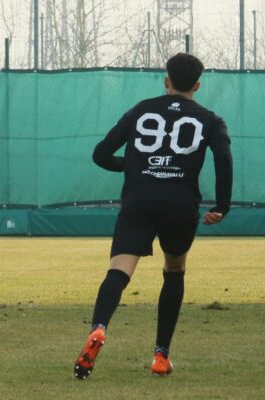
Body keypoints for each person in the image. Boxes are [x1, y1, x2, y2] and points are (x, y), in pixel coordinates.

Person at [73, 53, 233, 379]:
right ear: (198, 85)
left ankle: (99, 327)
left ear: (166, 80)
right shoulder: (210, 119)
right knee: (174, 271)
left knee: (119, 271)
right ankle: (161, 355)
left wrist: (134, 166)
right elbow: (223, 158)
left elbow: (101, 154)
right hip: (180, 204)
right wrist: (222, 205)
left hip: (139, 200)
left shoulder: (142, 109)